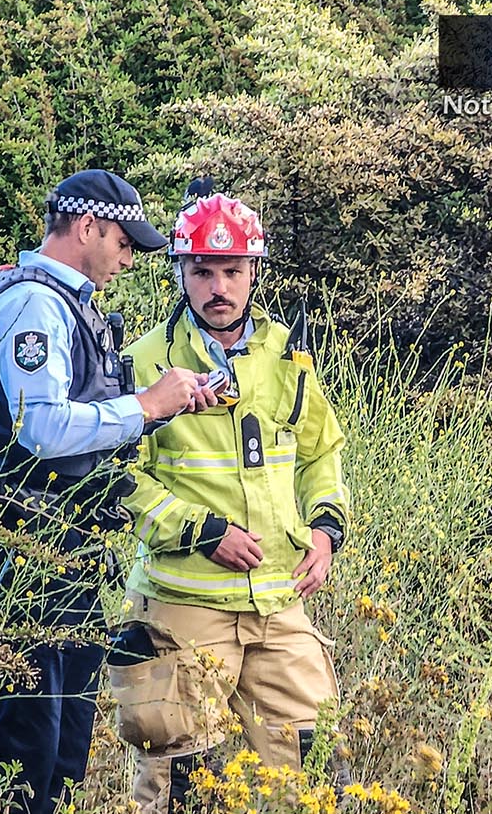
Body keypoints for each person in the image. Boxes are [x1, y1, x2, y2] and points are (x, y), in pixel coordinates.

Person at [0, 169, 217, 814]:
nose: (129, 258)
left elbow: (85, 425)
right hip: (25, 537)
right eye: (124, 242)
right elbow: (41, 427)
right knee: (29, 736)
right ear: (87, 228)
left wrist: (166, 409)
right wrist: (144, 404)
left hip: (67, 543)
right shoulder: (33, 303)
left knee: (67, 739)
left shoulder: (72, 304)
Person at [110, 187, 351, 811]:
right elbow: (116, 476)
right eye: (203, 271)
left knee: (310, 772)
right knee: (176, 779)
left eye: (232, 271)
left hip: (279, 600)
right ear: (181, 274)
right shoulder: (142, 364)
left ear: (254, 273)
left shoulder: (289, 360)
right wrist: (202, 532)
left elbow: (321, 453)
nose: (219, 286)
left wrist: (325, 532)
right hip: (183, 603)